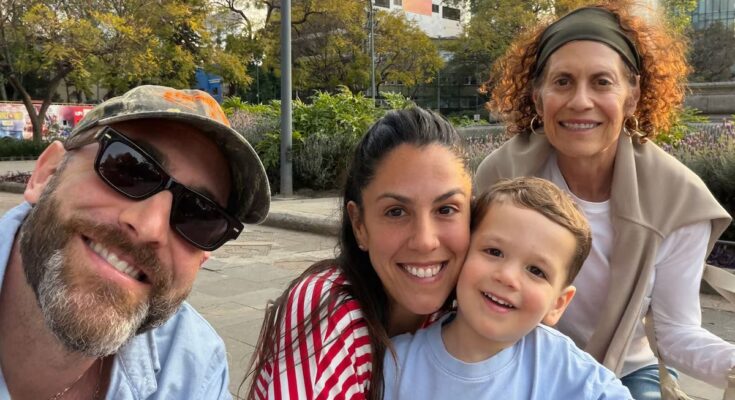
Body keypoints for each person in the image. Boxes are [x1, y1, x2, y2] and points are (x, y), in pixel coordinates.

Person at [476, 2, 733, 398]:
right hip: (516, 356)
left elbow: (676, 333)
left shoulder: (677, 201)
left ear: (632, 96)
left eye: (601, 82)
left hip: (623, 368)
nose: (581, 100)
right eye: (563, 81)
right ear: (538, 97)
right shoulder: (500, 175)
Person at [0, 85, 271, 399]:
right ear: (46, 173)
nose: (150, 228)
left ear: (203, 256)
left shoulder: (195, 367)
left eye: (199, 214)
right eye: (128, 169)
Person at [245, 107, 473, 400]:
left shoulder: (467, 311)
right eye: (396, 212)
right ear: (360, 225)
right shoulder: (326, 310)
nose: (425, 241)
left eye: (446, 209)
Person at [383, 177, 632, 399]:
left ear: (558, 304)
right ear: (463, 253)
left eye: (536, 271)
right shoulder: (396, 364)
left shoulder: (569, 374)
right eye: (494, 252)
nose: (508, 277)